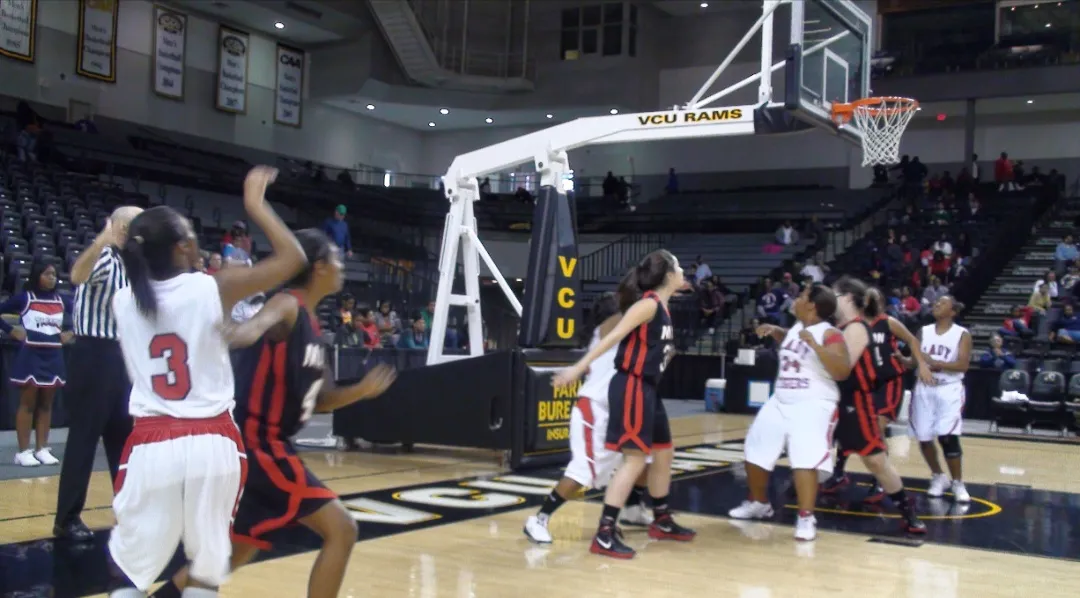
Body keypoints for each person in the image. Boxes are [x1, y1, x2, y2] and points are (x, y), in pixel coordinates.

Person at [150, 230, 397, 598]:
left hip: (263, 445)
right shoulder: (287, 303)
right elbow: (256, 326)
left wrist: (360, 392)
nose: (343, 266)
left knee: (236, 551)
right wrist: (236, 332)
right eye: (337, 259)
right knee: (342, 529)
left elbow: (321, 400)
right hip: (257, 443)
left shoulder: (314, 328)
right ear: (318, 267)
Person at [105, 165, 307, 598]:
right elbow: (294, 260)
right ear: (181, 248)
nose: (198, 242)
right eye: (191, 235)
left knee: (130, 574)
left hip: (151, 444)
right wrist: (256, 205)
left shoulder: (124, 300)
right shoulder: (213, 287)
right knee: (204, 570)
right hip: (212, 445)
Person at [552, 250, 694, 559]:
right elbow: (611, 336)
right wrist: (577, 369)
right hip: (632, 386)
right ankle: (604, 532)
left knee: (663, 452)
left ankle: (662, 519)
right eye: (679, 266)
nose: (684, 271)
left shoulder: (664, 306)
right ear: (669, 275)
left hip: (649, 389)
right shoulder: (647, 305)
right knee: (634, 459)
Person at [523, 293, 653, 545]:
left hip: (615, 411)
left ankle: (628, 511)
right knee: (583, 473)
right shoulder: (606, 330)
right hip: (593, 410)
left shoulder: (624, 335)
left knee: (639, 460)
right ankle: (539, 519)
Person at [728, 283, 851, 542]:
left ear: (812, 305)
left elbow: (842, 371)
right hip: (781, 399)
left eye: (801, 296)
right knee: (756, 447)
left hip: (814, 401)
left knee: (804, 458)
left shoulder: (829, 333)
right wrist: (776, 332)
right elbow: (793, 341)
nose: (795, 299)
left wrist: (817, 347)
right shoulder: (797, 327)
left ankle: (806, 517)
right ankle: (760, 503)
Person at [54, 205, 143, 541]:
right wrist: (101, 240)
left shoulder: (134, 266)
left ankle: (129, 511)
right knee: (84, 438)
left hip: (123, 356)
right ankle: (67, 518)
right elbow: (77, 275)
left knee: (123, 440)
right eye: (135, 227)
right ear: (119, 227)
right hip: (95, 353)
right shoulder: (105, 257)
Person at [819, 278, 927, 534]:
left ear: (847, 298)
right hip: (839, 399)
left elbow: (842, 368)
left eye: (835, 294)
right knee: (811, 447)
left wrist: (913, 361)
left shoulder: (863, 327)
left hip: (866, 394)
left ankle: (905, 508)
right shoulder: (839, 326)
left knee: (875, 460)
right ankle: (808, 495)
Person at [0, 261, 74, 466]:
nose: (52, 278)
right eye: (47, 273)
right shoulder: (25, 298)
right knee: (28, 404)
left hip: (54, 356)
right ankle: (23, 451)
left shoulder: (62, 299)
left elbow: (83, 313)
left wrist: (72, 332)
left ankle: (42, 448)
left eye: (54, 275)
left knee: (46, 405)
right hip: (31, 355)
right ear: (36, 275)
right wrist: (10, 330)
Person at [909, 295, 972, 503]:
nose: (937, 305)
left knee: (947, 436)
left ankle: (958, 482)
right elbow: (914, 361)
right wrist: (904, 361)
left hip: (948, 389)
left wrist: (935, 364)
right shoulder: (923, 331)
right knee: (924, 437)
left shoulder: (962, 334)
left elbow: (962, 365)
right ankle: (938, 476)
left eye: (942, 303)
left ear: (953, 311)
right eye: (936, 303)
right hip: (924, 389)